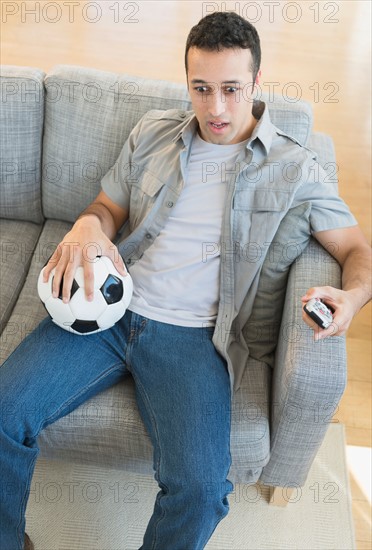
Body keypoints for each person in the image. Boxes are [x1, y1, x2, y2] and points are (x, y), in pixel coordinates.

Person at [1, 11, 371, 550]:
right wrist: (87, 224)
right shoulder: (153, 133)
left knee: (200, 490)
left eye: (230, 89)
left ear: (257, 83)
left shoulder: (296, 166)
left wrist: (353, 295)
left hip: (194, 339)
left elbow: (357, 249)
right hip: (107, 307)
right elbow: (108, 206)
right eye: (201, 88)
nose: (215, 108)